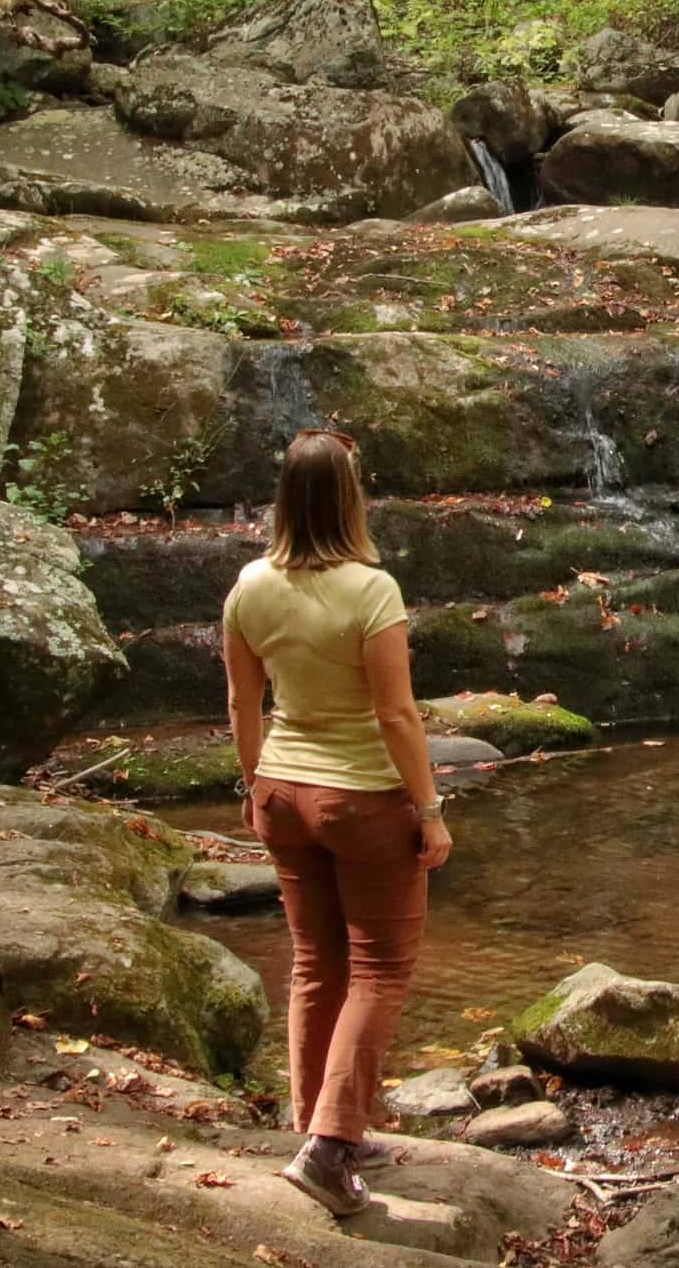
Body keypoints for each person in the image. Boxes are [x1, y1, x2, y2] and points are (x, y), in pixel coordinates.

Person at [224, 427, 452, 1219]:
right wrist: (428, 809)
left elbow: (241, 703)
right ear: (351, 497)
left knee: (315, 962)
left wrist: (253, 786)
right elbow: (396, 713)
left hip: (285, 791)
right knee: (380, 969)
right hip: (362, 800)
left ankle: (321, 1125)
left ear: (284, 497)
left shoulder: (249, 585)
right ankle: (327, 1147)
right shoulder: (371, 588)